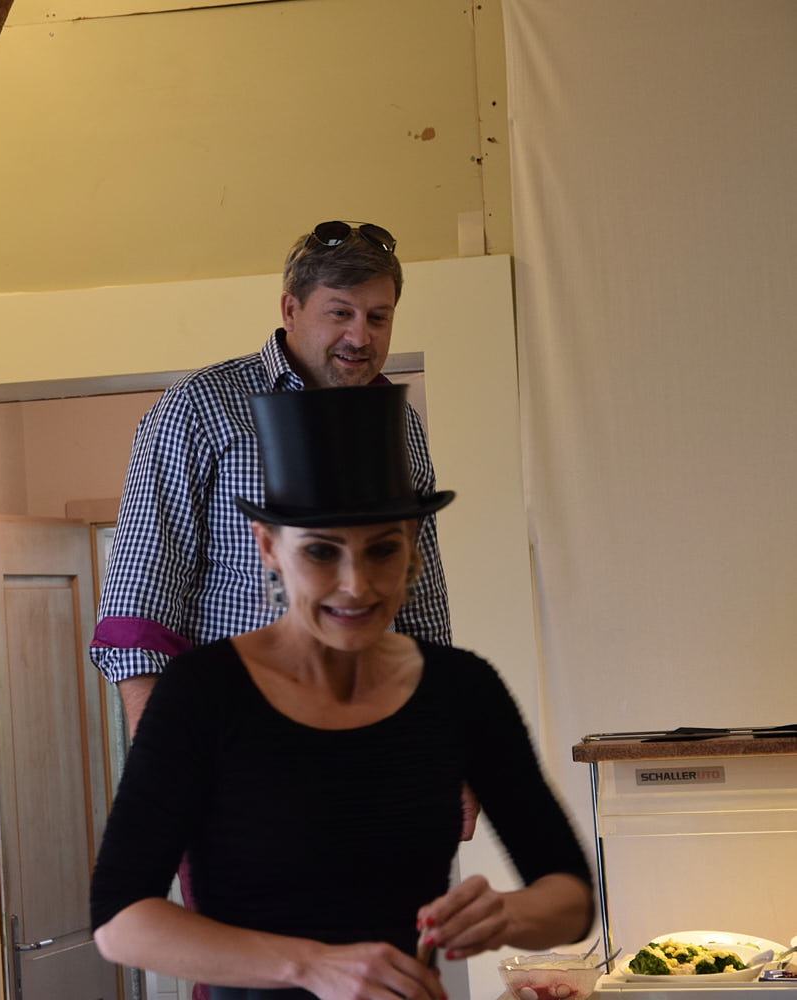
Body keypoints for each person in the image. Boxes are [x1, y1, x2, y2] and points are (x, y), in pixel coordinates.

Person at [89, 386, 594, 1000]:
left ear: (412, 544)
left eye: (382, 549)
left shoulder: (463, 689)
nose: (356, 585)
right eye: (321, 552)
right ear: (268, 546)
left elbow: (571, 898)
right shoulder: (202, 694)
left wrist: (506, 915)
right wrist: (312, 966)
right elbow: (121, 922)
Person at [90, 221, 450, 741]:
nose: (360, 337)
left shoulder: (403, 425)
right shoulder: (201, 407)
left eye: (378, 317)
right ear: (290, 309)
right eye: (340, 313)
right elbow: (139, 600)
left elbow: (421, 599)